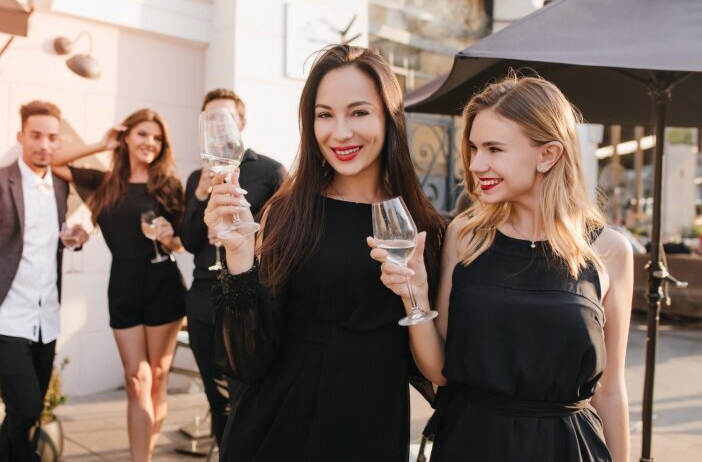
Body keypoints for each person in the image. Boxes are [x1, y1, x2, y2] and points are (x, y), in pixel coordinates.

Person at [203, 45, 447, 461]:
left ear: (389, 116)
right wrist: (240, 257)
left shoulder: (423, 227)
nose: (340, 132)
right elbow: (247, 362)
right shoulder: (288, 211)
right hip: (279, 427)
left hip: (372, 424)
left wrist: (413, 297)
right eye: (324, 114)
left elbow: (437, 371)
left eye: (358, 112)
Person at [370, 76, 633, 461]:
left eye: (494, 149)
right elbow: (439, 372)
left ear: (548, 155)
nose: (476, 164)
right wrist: (414, 294)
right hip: (471, 443)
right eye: (474, 147)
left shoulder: (609, 250)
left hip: (566, 449)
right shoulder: (465, 236)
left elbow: (610, 390)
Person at [0, 100, 89, 462]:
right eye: (36, 136)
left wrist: (71, 237)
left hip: (46, 318)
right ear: (21, 137)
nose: (44, 145)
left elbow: (48, 239)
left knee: (22, 415)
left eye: (52, 138)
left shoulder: (60, 188)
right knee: (27, 409)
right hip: (4, 315)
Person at [50, 109, 186, 462]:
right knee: (134, 379)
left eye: (157, 138)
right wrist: (99, 142)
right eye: (142, 134)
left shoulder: (168, 185)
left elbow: (183, 242)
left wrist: (171, 238)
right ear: (126, 137)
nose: (150, 143)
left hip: (162, 280)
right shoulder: (103, 183)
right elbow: (54, 161)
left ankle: (147, 454)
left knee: (156, 375)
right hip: (123, 283)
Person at [180, 88, 286, 446]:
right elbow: (188, 240)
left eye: (226, 118)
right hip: (200, 298)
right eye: (210, 121)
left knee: (247, 397)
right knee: (216, 400)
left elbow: (283, 237)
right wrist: (199, 196)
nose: (219, 130)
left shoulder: (270, 171)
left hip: (245, 298)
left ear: (241, 122)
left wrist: (241, 239)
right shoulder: (197, 178)